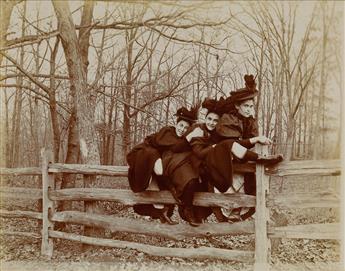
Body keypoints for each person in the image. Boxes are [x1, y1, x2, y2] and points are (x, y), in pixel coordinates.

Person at [199, 74, 283, 221]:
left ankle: (241, 212)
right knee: (228, 186)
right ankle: (229, 211)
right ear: (237, 106)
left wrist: (254, 137)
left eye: (251, 106)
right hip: (218, 157)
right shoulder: (227, 119)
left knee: (248, 182)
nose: (249, 109)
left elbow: (248, 142)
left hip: (238, 158)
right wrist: (255, 139)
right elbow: (233, 144)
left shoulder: (249, 120)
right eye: (246, 106)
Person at [126, 105, 202, 226]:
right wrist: (188, 137)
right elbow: (175, 146)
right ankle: (157, 207)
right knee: (159, 172)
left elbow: (180, 148)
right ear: (176, 124)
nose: (182, 129)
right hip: (149, 154)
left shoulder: (183, 139)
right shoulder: (168, 132)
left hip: (165, 163)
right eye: (181, 125)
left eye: (186, 127)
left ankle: (165, 211)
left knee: (167, 190)